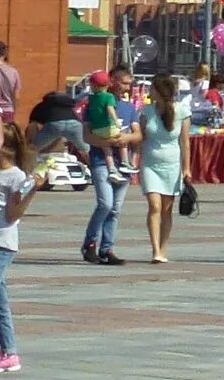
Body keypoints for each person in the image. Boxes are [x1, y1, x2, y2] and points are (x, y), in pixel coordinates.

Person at [0, 120, 36, 371]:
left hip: (1, 244)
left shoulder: (16, 177)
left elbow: (13, 214)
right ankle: (9, 352)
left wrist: (33, 190)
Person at [79, 67, 137, 266]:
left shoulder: (129, 108)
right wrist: (105, 142)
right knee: (105, 203)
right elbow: (86, 136)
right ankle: (90, 244)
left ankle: (107, 249)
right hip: (100, 160)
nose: (127, 87)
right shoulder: (93, 103)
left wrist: (125, 138)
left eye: (129, 84)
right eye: (124, 83)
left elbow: (137, 135)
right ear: (112, 81)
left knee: (115, 209)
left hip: (123, 163)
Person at [136, 74, 186, 265]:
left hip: (172, 165)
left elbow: (185, 142)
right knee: (154, 205)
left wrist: (187, 168)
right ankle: (155, 249)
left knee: (167, 208)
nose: (149, 92)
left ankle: (163, 248)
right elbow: (140, 138)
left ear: (159, 91)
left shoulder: (181, 110)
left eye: (152, 89)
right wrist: (133, 158)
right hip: (150, 163)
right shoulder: (147, 111)